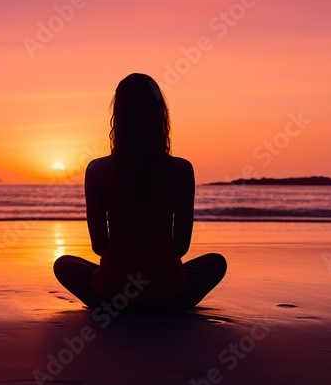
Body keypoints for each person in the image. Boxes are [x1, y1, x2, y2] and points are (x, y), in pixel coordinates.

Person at [53, 73, 227, 312]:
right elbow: (182, 247)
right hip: (169, 295)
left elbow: (99, 246)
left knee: (64, 264)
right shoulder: (182, 169)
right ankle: (155, 295)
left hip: (111, 297)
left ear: (118, 116)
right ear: (160, 116)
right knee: (216, 262)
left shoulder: (96, 169)